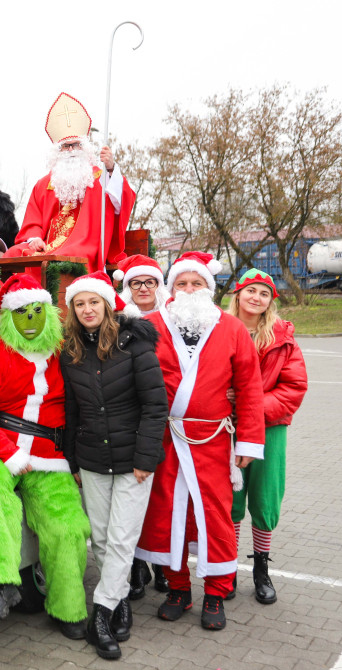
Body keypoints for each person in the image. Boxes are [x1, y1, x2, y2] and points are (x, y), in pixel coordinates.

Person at [135, 251, 265, 631]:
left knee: (215, 515)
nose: (189, 289)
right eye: (181, 283)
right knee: (166, 513)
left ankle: (215, 591)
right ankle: (177, 589)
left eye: (197, 283)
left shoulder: (232, 329)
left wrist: (248, 443)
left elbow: (249, 389)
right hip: (165, 437)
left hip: (212, 438)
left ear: (210, 288)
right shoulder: (150, 325)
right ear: (171, 288)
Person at [0, 273, 90, 640]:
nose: (31, 321)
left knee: (68, 526)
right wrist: (7, 453)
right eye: (22, 313)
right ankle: (0, 584)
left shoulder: (64, 352)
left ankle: (68, 608)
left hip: (48, 452)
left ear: (49, 312)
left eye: (37, 311)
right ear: (8, 319)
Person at [60, 272, 167, 660]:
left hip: (132, 461)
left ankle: (100, 615)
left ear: (107, 304)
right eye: (79, 304)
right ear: (73, 310)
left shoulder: (134, 344)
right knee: (102, 539)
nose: (87, 309)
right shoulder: (69, 351)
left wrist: (145, 457)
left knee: (122, 538)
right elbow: (72, 410)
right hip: (90, 458)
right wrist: (73, 459)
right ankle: (120, 601)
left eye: (94, 302)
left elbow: (156, 406)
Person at [226, 269, 308, 604]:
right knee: (229, 498)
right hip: (226, 428)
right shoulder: (220, 328)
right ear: (238, 294)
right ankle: (226, 569)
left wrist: (252, 403)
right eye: (251, 291)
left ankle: (261, 569)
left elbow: (294, 387)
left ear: (270, 301)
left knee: (264, 498)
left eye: (264, 293)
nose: (256, 298)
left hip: (268, 429)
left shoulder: (281, 337)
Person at [4, 93, 135, 270]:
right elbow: (32, 221)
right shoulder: (44, 185)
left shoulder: (99, 179)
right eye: (66, 146)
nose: (72, 150)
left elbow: (120, 202)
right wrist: (34, 239)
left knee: (66, 257)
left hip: (84, 244)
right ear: (58, 151)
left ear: (85, 148)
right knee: (13, 253)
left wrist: (111, 168)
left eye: (76, 144)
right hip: (46, 245)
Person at [111, 254, 171, 597]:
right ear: (128, 286)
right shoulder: (120, 321)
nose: (144, 288)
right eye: (136, 283)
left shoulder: (173, 317)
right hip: (131, 418)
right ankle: (135, 567)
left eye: (149, 282)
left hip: (164, 417)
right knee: (131, 501)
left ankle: (162, 564)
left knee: (161, 497)